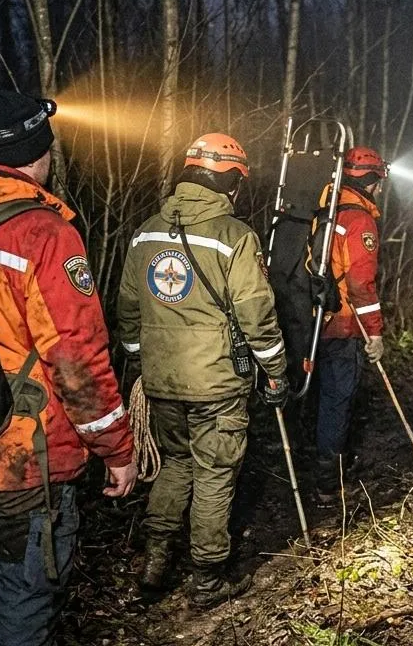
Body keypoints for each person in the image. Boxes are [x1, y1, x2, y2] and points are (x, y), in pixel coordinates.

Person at [0, 89, 137, 645]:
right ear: (34, 150)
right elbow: (75, 359)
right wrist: (117, 449)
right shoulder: (43, 233)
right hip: (21, 461)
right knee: (25, 600)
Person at [116, 133, 289, 607]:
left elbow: (127, 308)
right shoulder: (235, 237)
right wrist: (276, 370)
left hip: (161, 382)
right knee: (215, 473)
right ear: (230, 182)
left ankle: (155, 559)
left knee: (176, 464)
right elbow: (256, 313)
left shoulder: (145, 231)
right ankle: (207, 580)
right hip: (216, 383)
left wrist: (139, 360)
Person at [312, 146, 388, 503]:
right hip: (342, 326)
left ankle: (313, 467)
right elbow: (361, 284)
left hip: (312, 322)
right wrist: (374, 332)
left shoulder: (324, 208)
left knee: (317, 399)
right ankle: (328, 483)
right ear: (371, 181)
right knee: (337, 401)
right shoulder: (360, 221)